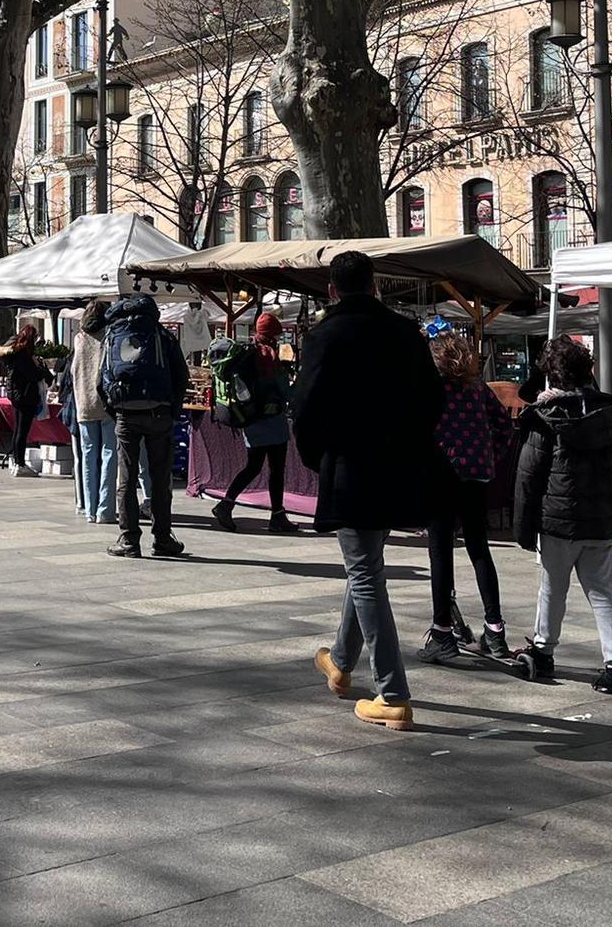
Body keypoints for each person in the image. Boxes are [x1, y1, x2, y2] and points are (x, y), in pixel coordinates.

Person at [294, 250, 444, 732]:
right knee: (366, 566)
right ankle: (340, 660)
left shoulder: (325, 334)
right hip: (398, 463)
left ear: (333, 289)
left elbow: (306, 406)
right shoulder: (405, 333)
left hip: (350, 465)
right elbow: (433, 400)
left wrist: (319, 457)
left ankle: (393, 694)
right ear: (375, 284)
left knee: (364, 573)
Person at [511, 335, 612, 697]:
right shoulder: (611, 415)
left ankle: (543, 651)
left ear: (550, 376)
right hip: (602, 519)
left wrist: (523, 529)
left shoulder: (544, 418)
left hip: (557, 520)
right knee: (602, 591)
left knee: (553, 587)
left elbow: (529, 476)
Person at [419, 329, 514, 663]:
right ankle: (495, 629)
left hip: (442, 475)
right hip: (477, 474)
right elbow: (505, 427)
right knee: (479, 548)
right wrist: (489, 455)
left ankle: (442, 631)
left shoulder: (431, 389)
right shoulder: (478, 390)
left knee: (441, 553)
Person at [101, 293, 191, 559]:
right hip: (159, 412)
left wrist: (115, 410)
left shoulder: (113, 335)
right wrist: (172, 409)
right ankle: (162, 537)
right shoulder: (162, 335)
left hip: (125, 414)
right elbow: (181, 374)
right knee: (160, 478)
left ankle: (129, 539)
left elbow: (101, 379)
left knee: (126, 478)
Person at [210, 314, 297, 534]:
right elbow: (282, 389)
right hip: (271, 419)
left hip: (251, 419)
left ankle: (227, 504)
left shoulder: (247, 352)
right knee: (276, 468)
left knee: (254, 466)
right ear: (271, 334)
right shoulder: (267, 355)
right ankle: (276, 516)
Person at [68, 300, 116, 524]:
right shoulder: (109, 336)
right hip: (106, 404)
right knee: (109, 456)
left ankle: (89, 508)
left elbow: (73, 370)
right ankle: (105, 510)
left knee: (88, 457)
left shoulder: (79, 339)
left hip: (84, 403)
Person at [0, 324, 49, 478]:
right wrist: (40, 369)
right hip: (25, 396)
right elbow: (34, 375)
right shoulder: (23, 356)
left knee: (18, 430)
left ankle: (16, 462)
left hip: (17, 395)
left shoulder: (14, 354)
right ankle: (19, 464)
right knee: (22, 431)